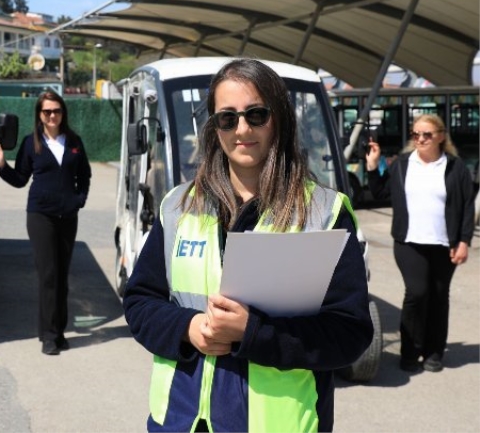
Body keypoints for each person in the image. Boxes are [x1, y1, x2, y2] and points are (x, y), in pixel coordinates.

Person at [123, 58, 373, 433]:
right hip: (180, 421)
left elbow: (349, 334)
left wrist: (253, 334)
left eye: (256, 114)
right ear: (214, 127)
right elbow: (140, 302)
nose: (242, 129)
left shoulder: (324, 212)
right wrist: (189, 328)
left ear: (280, 119)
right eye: (228, 118)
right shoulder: (177, 206)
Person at [366, 113, 473, 373]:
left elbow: (467, 205)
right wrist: (372, 166)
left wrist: (464, 241)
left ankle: (434, 352)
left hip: (443, 243)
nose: (421, 139)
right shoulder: (402, 164)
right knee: (416, 294)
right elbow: (379, 193)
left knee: (439, 296)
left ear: (440, 136)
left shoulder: (454, 166)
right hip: (409, 242)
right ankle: (410, 352)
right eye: (416, 134)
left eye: (427, 134)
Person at [0, 91, 91, 356]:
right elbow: (20, 178)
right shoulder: (30, 142)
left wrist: (78, 200)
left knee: (62, 276)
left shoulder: (74, 141)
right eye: (47, 112)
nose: (52, 116)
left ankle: (59, 331)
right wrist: (2, 166)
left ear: (62, 112)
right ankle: (48, 336)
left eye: (56, 110)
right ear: (39, 114)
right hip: (40, 216)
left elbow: (85, 175)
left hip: (68, 217)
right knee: (48, 275)